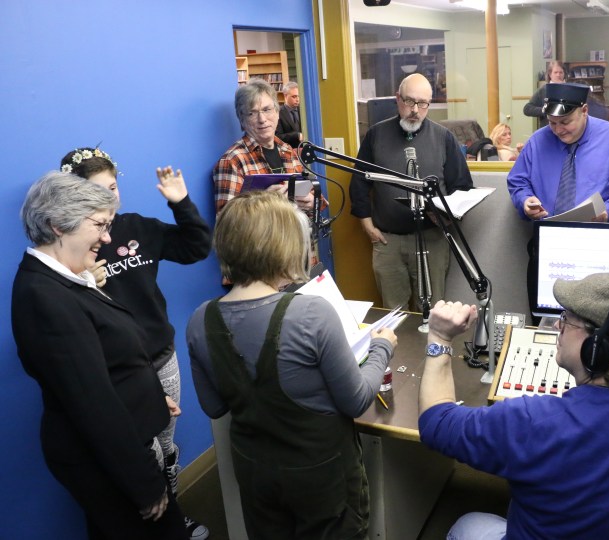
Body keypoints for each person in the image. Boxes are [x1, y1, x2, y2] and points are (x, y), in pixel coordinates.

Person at [418, 273, 609, 539]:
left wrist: (440, 337)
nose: (557, 326)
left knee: (468, 524)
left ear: (596, 347)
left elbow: (436, 423)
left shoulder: (533, 422)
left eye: (566, 319)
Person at [186, 190, 398, 539]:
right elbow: (358, 400)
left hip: (256, 476)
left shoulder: (200, 320)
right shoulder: (309, 312)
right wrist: (381, 347)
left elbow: (214, 406)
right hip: (321, 479)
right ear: (285, 247)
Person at [12, 172, 188, 539]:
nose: (107, 238)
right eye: (100, 226)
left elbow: (109, 360)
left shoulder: (69, 279)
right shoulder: (44, 297)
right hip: (106, 464)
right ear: (58, 224)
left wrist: (151, 397)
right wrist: (145, 485)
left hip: (122, 445)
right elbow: (92, 403)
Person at [60, 147, 211, 540]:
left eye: (112, 187)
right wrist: (86, 284)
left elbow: (196, 248)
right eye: (97, 192)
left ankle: (173, 518)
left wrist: (181, 203)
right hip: (120, 373)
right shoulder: (71, 249)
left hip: (161, 357)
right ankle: (152, 526)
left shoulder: (138, 228)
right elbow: (68, 324)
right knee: (143, 455)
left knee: (167, 447)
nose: (108, 198)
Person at [349, 73, 474, 310]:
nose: (415, 110)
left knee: (433, 313)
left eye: (423, 103)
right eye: (409, 101)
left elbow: (463, 188)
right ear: (398, 98)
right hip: (388, 242)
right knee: (394, 313)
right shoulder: (376, 135)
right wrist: (367, 225)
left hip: (432, 240)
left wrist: (447, 218)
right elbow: (359, 182)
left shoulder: (444, 138)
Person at [508, 82, 609, 223]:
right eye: (552, 123)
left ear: (584, 111)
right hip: (546, 231)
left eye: (565, 122)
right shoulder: (537, 142)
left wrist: (608, 211)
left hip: (597, 231)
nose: (558, 130)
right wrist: (525, 199)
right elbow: (518, 180)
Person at [213, 78, 313, 215]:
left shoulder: (288, 150)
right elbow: (225, 220)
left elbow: (313, 196)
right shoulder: (233, 161)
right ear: (242, 121)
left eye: (267, 110)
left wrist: (312, 202)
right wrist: (265, 203)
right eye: (252, 113)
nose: (262, 119)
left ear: (277, 113)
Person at [523, 60, 566, 127]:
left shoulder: (570, 89)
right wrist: (545, 110)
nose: (558, 75)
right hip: (548, 128)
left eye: (561, 72)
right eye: (555, 72)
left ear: (564, 74)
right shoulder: (543, 90)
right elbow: (527, 109)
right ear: (550, 74)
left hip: (566, 128)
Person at [277, 81, 303, 148]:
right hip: (289, 150)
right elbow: (278, 137)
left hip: (306, 148)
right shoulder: (278, 113)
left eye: (298, 96)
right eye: (294, 97)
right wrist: (296, 135)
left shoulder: (304, 111)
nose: (297, 99)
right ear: (285, 96)